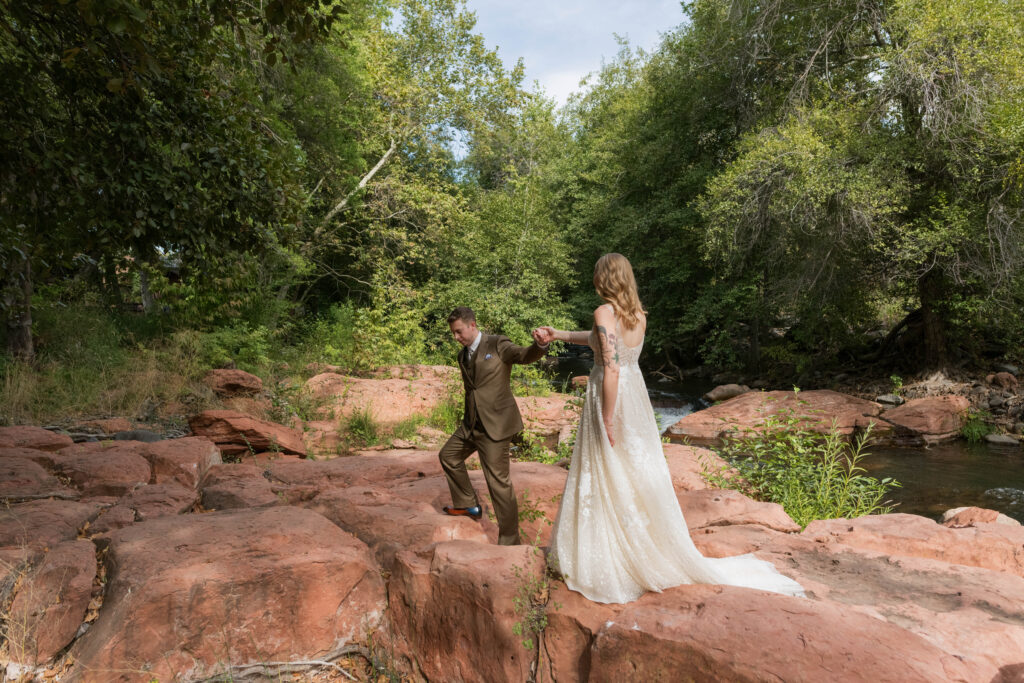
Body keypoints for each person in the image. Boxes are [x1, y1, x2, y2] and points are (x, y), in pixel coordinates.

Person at [535, 254, 804, 603]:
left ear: (604, 278)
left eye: (596, 274)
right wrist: (559, 335)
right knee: (634, 469)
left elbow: (611, 366)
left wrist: (606, 416)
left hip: (613, 397)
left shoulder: (605, 312)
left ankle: (610, 555)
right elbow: (601, 342)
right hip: (636, 398)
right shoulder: (638, 315)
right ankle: (636, 544)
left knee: (607, 469)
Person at [439, 306, 550, 546]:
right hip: (471, 425)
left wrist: (540, 346)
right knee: (448, 455)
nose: (456, 337)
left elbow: (523, 355)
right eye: (453, 333)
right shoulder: (462, 356)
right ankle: (468, 505)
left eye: (459, 332)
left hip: (496, 426)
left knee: (498, 483)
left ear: (472, 325)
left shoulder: (497, 344)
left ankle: (510, 541)